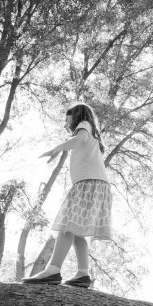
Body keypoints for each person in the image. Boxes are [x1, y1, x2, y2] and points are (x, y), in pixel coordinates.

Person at [23, 103, 112, 289]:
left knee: (66, 225)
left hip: (88, 185)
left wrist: (57, 148)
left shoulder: (85, 125)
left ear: (77, 116)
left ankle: (53, 269)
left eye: (67, 118)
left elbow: (79, 139)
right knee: (77, 230)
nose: (66, 122)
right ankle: (83, 274)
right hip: (94, 185)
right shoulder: (90, 132)